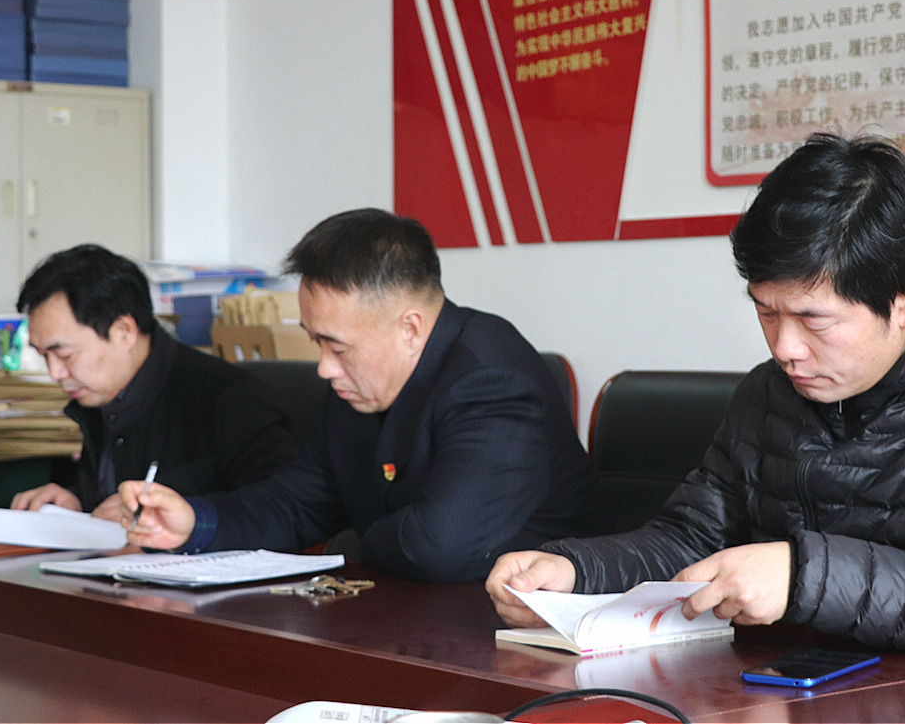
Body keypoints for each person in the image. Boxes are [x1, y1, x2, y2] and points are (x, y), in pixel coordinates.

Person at [487, 132, 905, 663]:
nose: (785, 348)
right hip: (793, 693)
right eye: (766, 312)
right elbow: (694, 538)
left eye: (812, 318)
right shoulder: (769, 394)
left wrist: (805, 575)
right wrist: (576, 570)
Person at [119, 209, 597, 583]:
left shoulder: (491, 380)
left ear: (410, 329)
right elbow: (299, 502)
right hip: (409, 612)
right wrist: (195, 521)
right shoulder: (359, 387)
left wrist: (350, 541)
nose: (324, 368)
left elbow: (439, 547)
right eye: (317, 343)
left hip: (517, 634)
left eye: (338, 347)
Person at [10, 245, 296, 519]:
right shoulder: (103, 396)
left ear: (124, 331)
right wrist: (76, 503)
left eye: (65, 355)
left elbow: (283, 512)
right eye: (44, 356)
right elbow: (113, 504)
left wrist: (182, 519)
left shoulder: (230, 399)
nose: (55, 373)